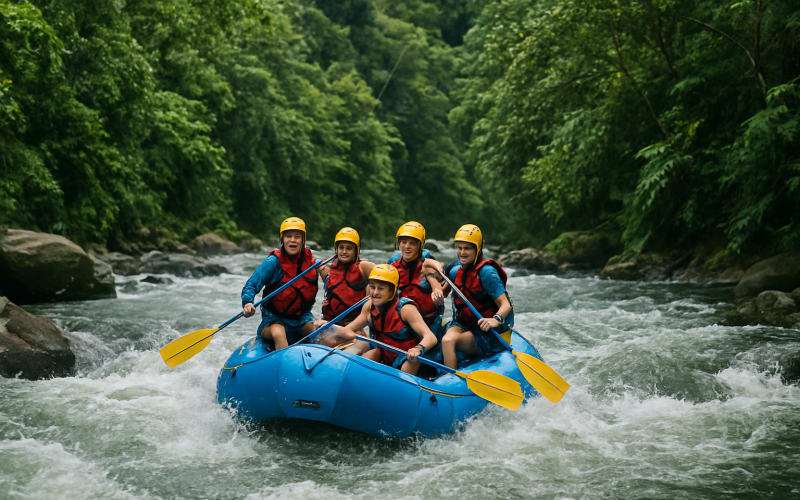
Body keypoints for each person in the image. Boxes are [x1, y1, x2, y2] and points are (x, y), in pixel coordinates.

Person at [337, 264, 438, 375]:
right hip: (385, 353)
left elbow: (431, 337)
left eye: (381, 288)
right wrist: (331, 328)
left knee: (407, 366)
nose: (375, 292)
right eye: (372, 287)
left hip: (409, 356)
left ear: (392, 290)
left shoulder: (406, 309)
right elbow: (346, 330)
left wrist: (417, 349)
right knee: (365, 360)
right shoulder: (369, 307)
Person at [441, 224, 514, 369]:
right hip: (465, 323)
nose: (462, 252)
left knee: (453, 341)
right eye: (459, 248)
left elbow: (506, 305)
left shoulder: (487, 273)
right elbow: (443, 292)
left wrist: (495, 319)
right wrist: (437, 292)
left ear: (477, 249)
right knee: (447, 340)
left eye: (467, 248)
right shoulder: (456, 271)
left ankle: (453, 379)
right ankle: (450, 377)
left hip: (488, 329)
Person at [241, 217, 319, 351]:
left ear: (303, 240)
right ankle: (284, 364)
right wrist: (248, 302)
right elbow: (251, 284)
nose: (293, 240)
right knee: (279, 332)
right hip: (273, 320)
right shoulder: (273, 262)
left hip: (301, 319)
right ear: (282, 239)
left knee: (314, 331)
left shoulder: (313, 262)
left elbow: (332, 274)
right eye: (288, 236)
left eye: (297, 237)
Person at [313, 227, 375, 348]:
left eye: (349, 248)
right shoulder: (326, 268)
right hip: (330, 323)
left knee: (361, 343)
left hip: (352, 326)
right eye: (341, 248)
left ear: (356, 250)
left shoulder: (364, 267)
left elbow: (385, 275)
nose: (344, 251)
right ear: (336, 249)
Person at [388, 221, 446, 339]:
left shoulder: (428, 265)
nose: (407, 246)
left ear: (419, 245)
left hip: (429, 324)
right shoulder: (392, 266)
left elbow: (435, 283)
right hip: (402, 325)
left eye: (412, 243)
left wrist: (437, 291)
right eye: (403, 242)